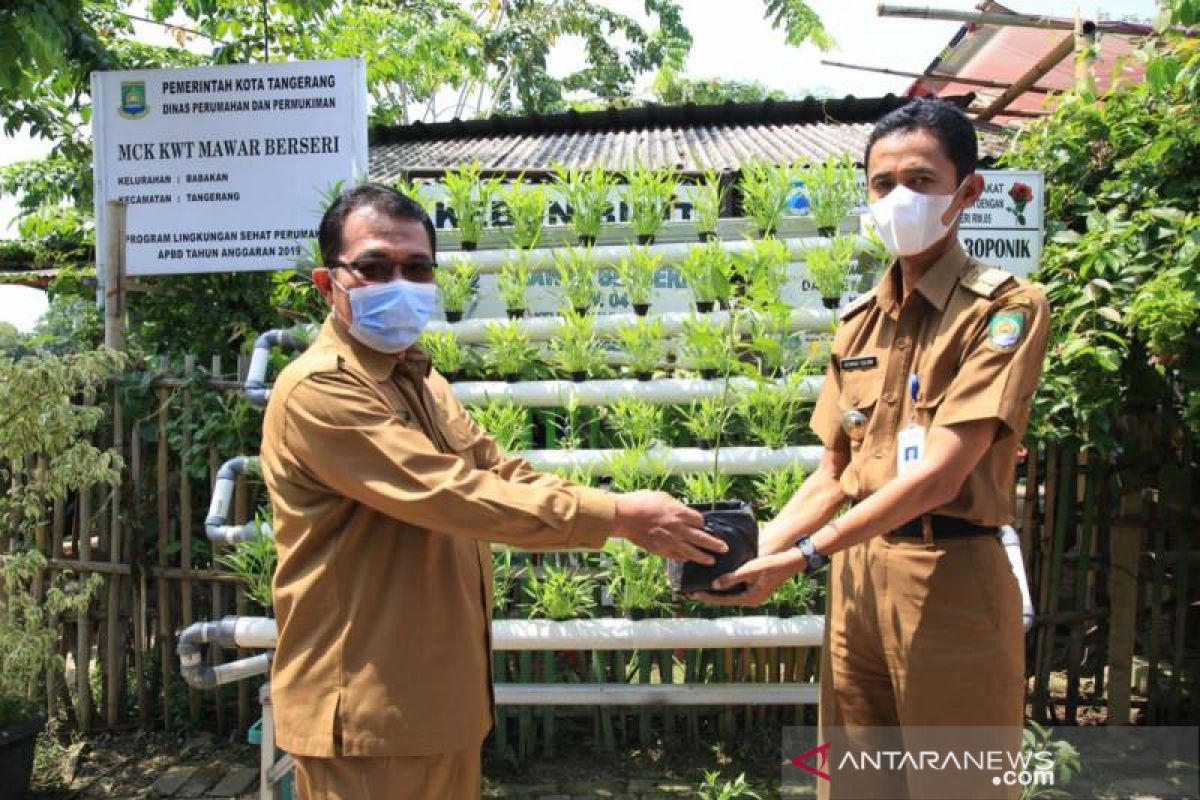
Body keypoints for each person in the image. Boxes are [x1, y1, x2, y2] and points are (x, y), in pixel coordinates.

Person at [259, 184, 724, 800]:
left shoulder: (419, 379)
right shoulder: (319, 392)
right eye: (374, 267)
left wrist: (629, 511)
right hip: (368, 715)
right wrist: (616, 516)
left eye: (417, 267)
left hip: (437, 704)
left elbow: (499, 472)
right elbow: (453, 494)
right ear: (328, 284)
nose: (399, 281)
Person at [694, 98, 1050, 799]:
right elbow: (836, 472)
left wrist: (799, 558)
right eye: (882, 184)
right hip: (855, 578)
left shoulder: (1004, 309)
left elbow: (940, 476)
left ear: (967, 192)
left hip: (950, 576)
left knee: (960, 786)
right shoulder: (858, 323)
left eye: (920, 181)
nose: (898, 199)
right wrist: (752, 555)